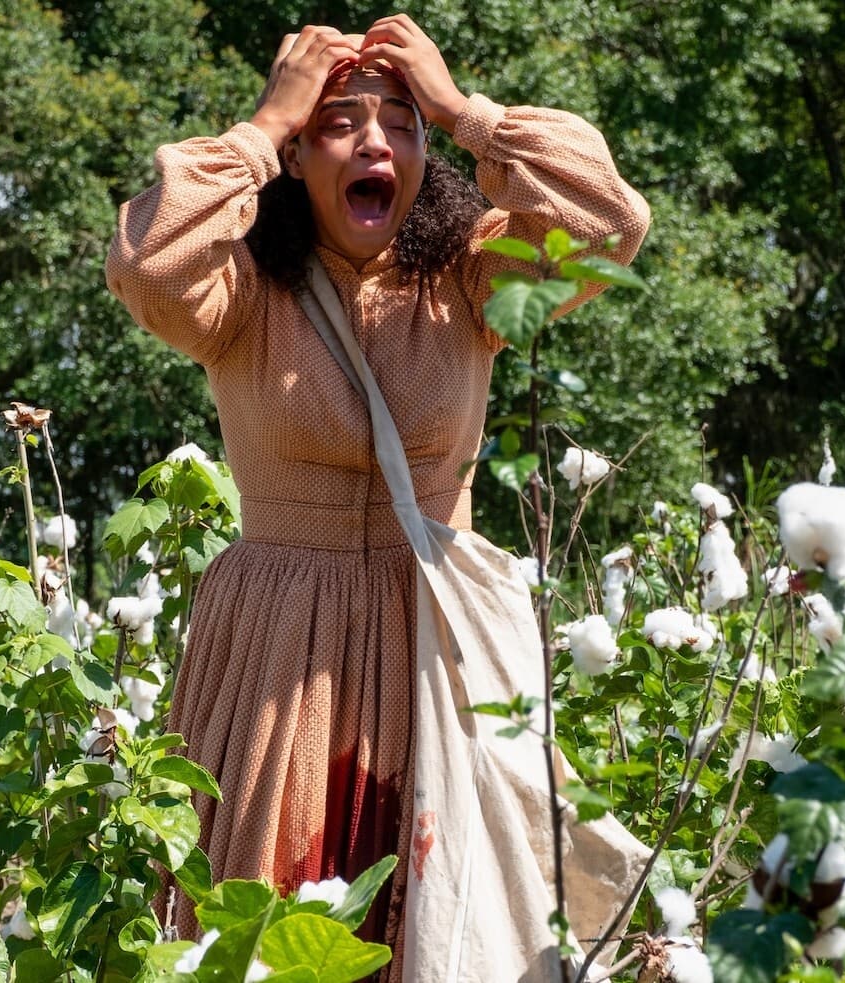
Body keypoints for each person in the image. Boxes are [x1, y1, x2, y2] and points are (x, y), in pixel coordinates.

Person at [105, 15, 650, 965]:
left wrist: (465, 112)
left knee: (452, 927)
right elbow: (146, 261)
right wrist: (262, 127)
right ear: (298, 159)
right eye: (338, 124)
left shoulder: (473, 279)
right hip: (277, 648)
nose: (374, 143)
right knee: (264, 921)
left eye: (400, 125)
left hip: (433, 636)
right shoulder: (240, 293)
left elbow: (611, 222)